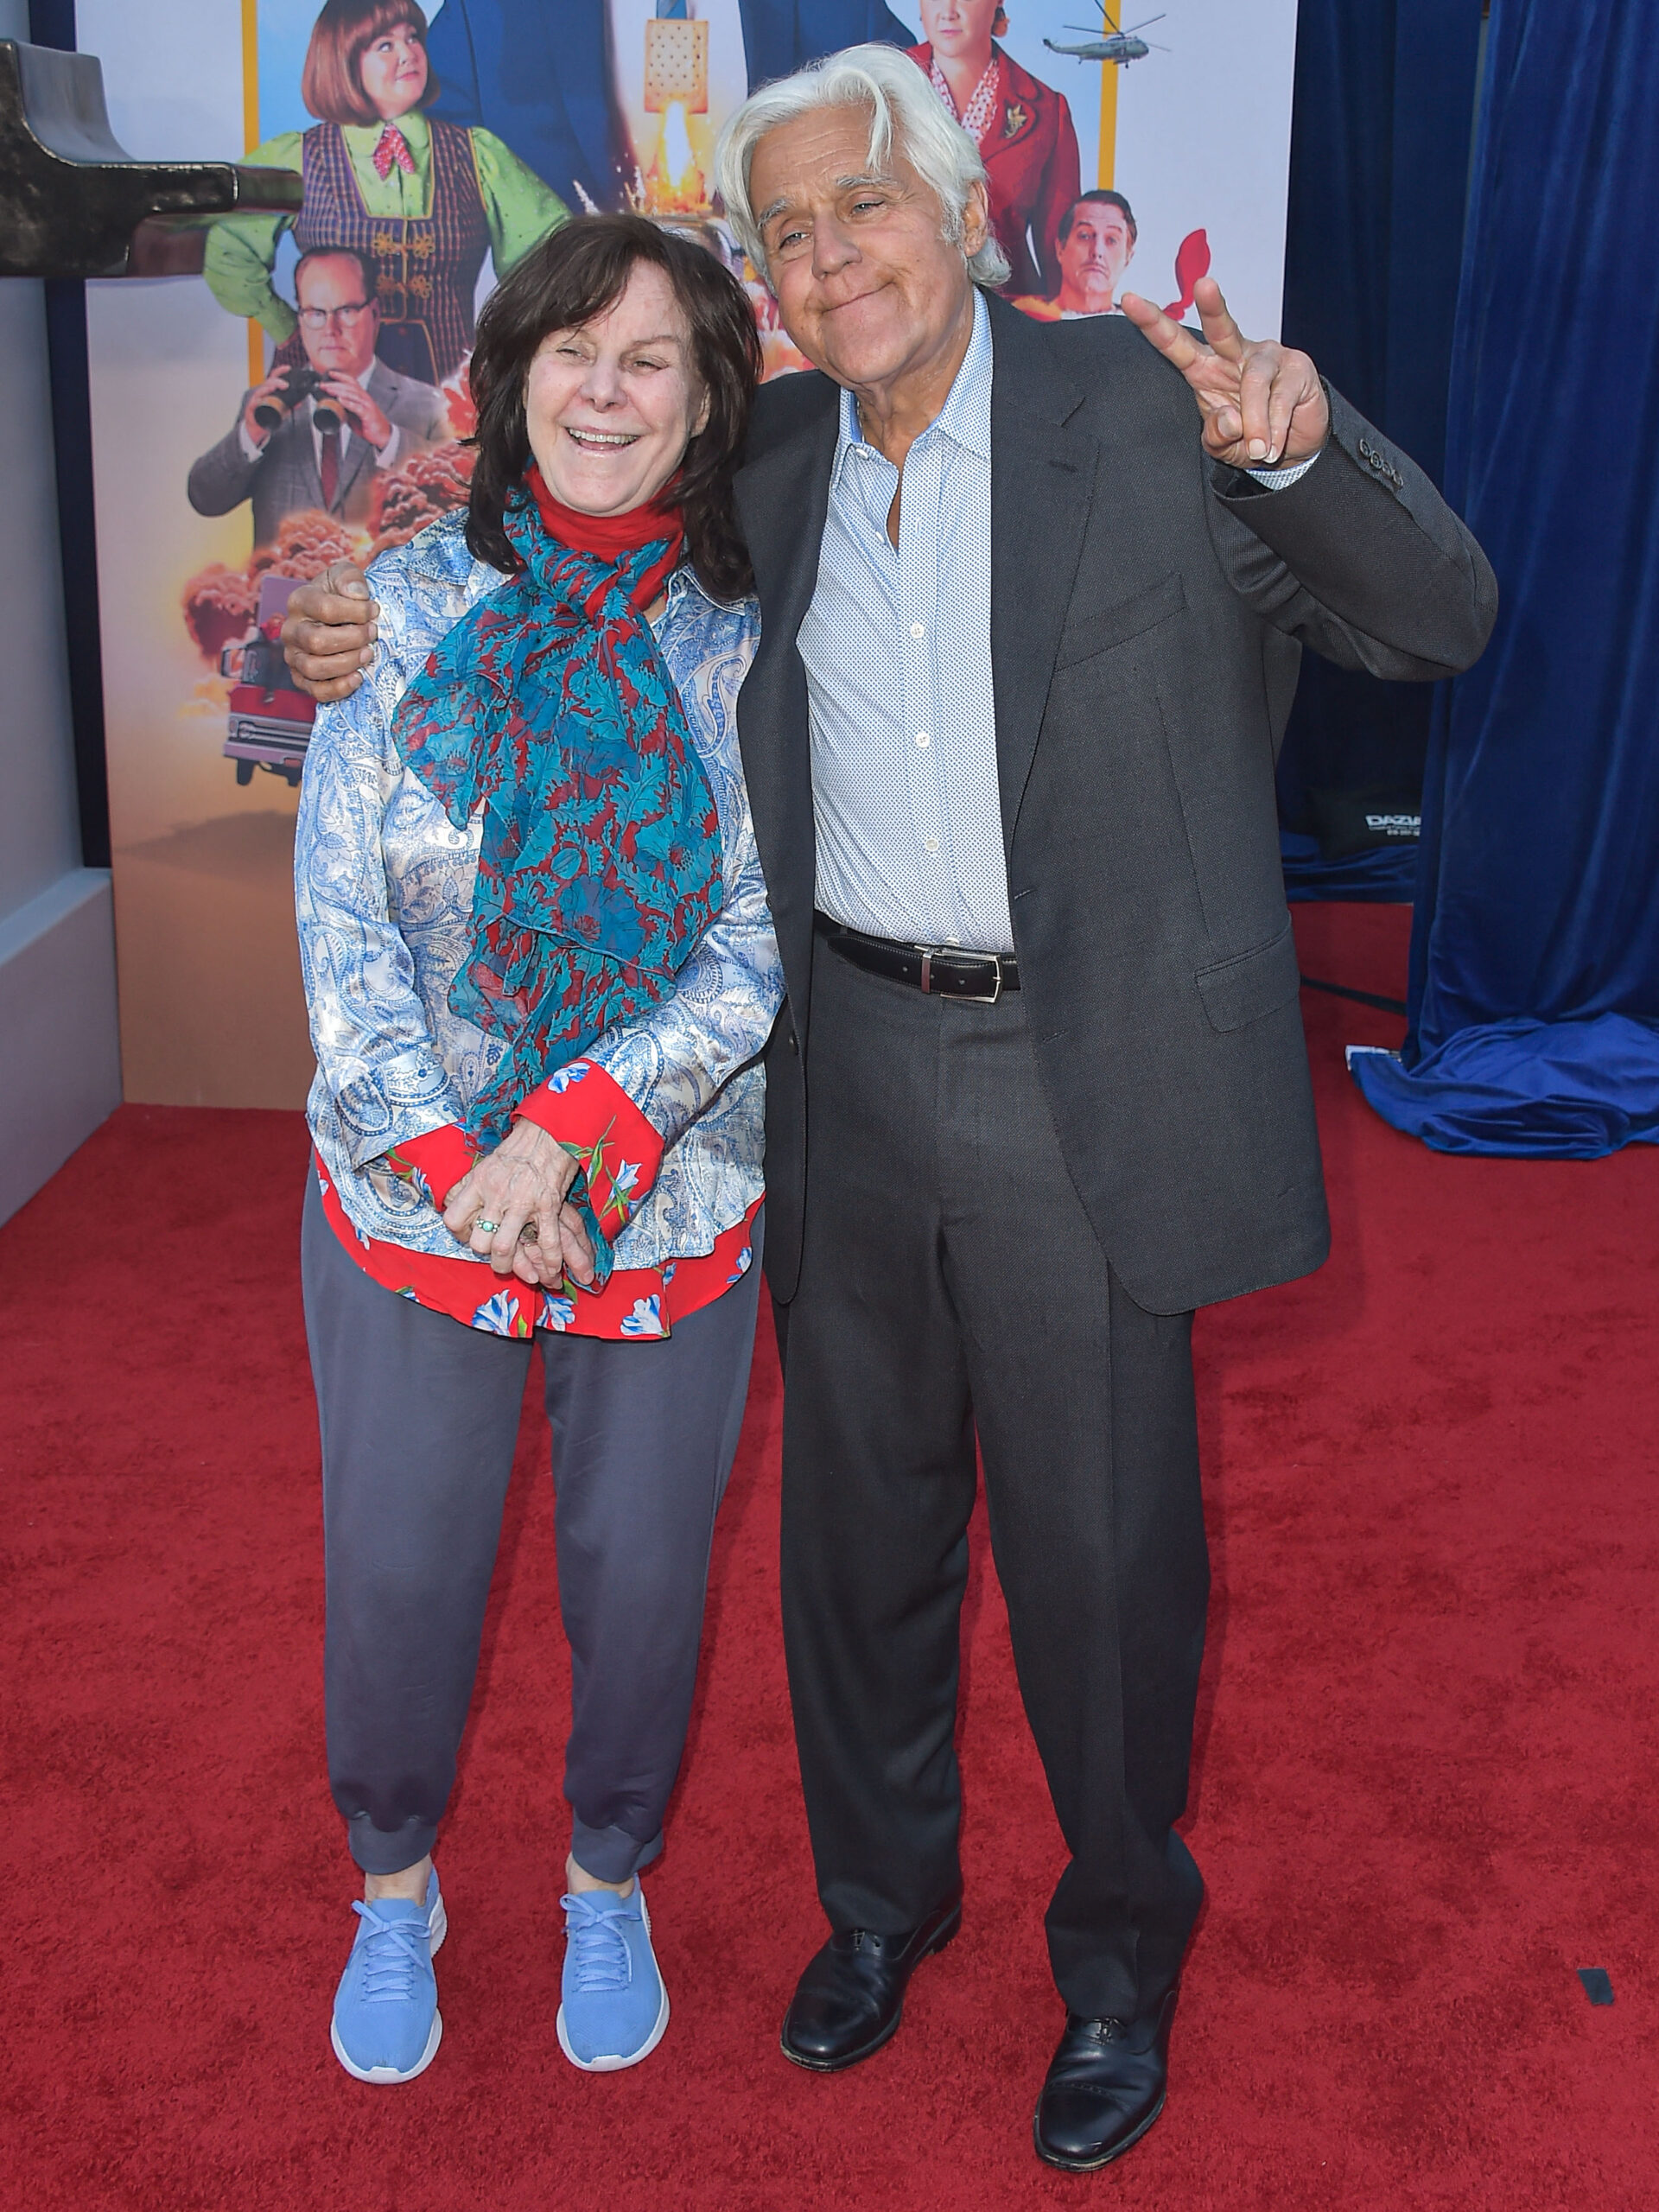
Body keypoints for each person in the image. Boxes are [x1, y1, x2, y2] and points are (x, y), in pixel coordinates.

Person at [280, 42, 1497, 2171]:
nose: (828, 256)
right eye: (787, 229)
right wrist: (343, 613)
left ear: (957, 209)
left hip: (1080, 1075)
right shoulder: (765, 468)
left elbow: (1434, 618)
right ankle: (879, 1908)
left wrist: (1301, 443)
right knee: (856, 1551)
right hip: (833, 1065)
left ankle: (1115, 1958)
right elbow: (539, 554)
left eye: (862, 204)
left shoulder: (1144, 403)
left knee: (1104, 1562)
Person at [293, 212, 779, 2086]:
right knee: (402, 1569)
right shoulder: (397, 608)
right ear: (508, 386)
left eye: (647, 357)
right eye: (570, 351)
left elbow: (752, 932)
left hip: (667, 1189)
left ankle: (605, 1880)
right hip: (414, 1195)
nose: (603, 389)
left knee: (646, 1578)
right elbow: (342, 927)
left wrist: (573, 1138)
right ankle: (394, 1890)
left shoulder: (749, 642)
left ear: (706, 395)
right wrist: (457, 1161)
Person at [204, 1, 570, 388]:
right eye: (385, 45)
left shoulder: (477, 154)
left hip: (448, 398)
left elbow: (553, 256)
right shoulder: (298, 158)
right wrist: (287, 329)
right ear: (343, 61)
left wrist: (503, 345)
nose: (408, 53)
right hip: (327, 394)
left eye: (412, 38)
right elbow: (228, 251)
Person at [419, 0, 918, 215]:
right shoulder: (486, 17)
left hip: (790, 383)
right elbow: (428, 173)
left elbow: (917, 135)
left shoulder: (843, 11)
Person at [188, 247, 447, 546]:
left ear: (375, 313)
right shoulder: (267, 405)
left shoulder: (427, 405)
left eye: (346, 311)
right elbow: (205, 498)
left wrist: (389, 440)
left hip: (382, 590)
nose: (330, 329)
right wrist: (249, 435)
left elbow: (457, 510)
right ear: (300, 317)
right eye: (315, 313)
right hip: (285, 590)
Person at [906, 0, 1080, 300]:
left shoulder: (1048, 111)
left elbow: (1059, 265)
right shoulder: (875, 88)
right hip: (896, 313)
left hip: (1009, 315)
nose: (948, 11)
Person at [1013, 187, 1136, 320]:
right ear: (1060, 249)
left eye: (1111, 240)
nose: (1097, 251)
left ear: (1128, 257)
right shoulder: (1022, 319)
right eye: (1085, 236)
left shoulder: (1138, 329)